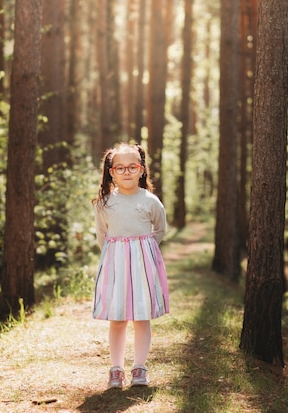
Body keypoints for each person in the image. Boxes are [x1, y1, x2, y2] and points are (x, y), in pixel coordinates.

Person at [92, 142, 170, 389]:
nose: (126, 172)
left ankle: (140, 367)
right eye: (120, 168)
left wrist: (142, 248)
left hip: (142, 264)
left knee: (141, 316)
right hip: (115, 264)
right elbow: (101, 235)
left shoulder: (150, 201)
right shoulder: (104, 203)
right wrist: (119, 251)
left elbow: (160, 229)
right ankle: (116, 368)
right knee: (117, 317)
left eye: (132, 167)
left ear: (142, 170)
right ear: (111, 172)